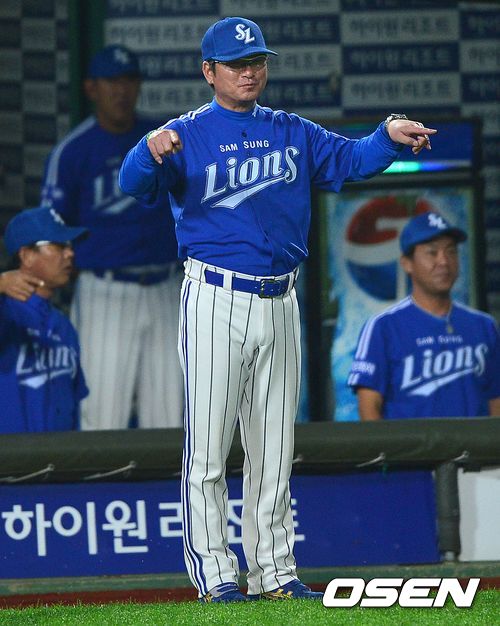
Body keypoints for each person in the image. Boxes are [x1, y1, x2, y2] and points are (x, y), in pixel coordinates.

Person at [119, 16, 436, 602]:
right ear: (209, 71)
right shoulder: (183, 134)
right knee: (209, 448)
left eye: (257, 61)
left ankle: (274, 572)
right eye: (237, 64)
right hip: (214, 296)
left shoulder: (291, 130)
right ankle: (216, 575)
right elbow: (133, 185)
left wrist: (389, 135)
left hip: (280, 299)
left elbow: (353, 160)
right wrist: (146, 151)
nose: (249, 71)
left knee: (274, 449)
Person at [40, 45, 184, 430]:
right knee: (102, 415)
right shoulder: (73, 151)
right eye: (111, 81)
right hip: (106, 290)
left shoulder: (162, 141)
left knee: (171, 417)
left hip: (167, 286)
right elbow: (51, 229)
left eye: (129, 80)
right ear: (91, 88)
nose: (121, 90)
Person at [348, 211, 500, 419]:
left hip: (473, 442)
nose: (444, 261)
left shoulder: (483, 325)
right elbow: (369, 406)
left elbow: (496, 399)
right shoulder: (383, 327)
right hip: (410, 442)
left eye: (451, 251)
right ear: (407, 263)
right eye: (432, 252)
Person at [0, 207, 89, 432]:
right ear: (27, 255)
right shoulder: (5, 315)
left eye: (70, 246)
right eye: (59, 245)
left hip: (60, 453)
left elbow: (73, 409)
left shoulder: (64, 326)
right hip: (10, 454)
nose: (69, 253)